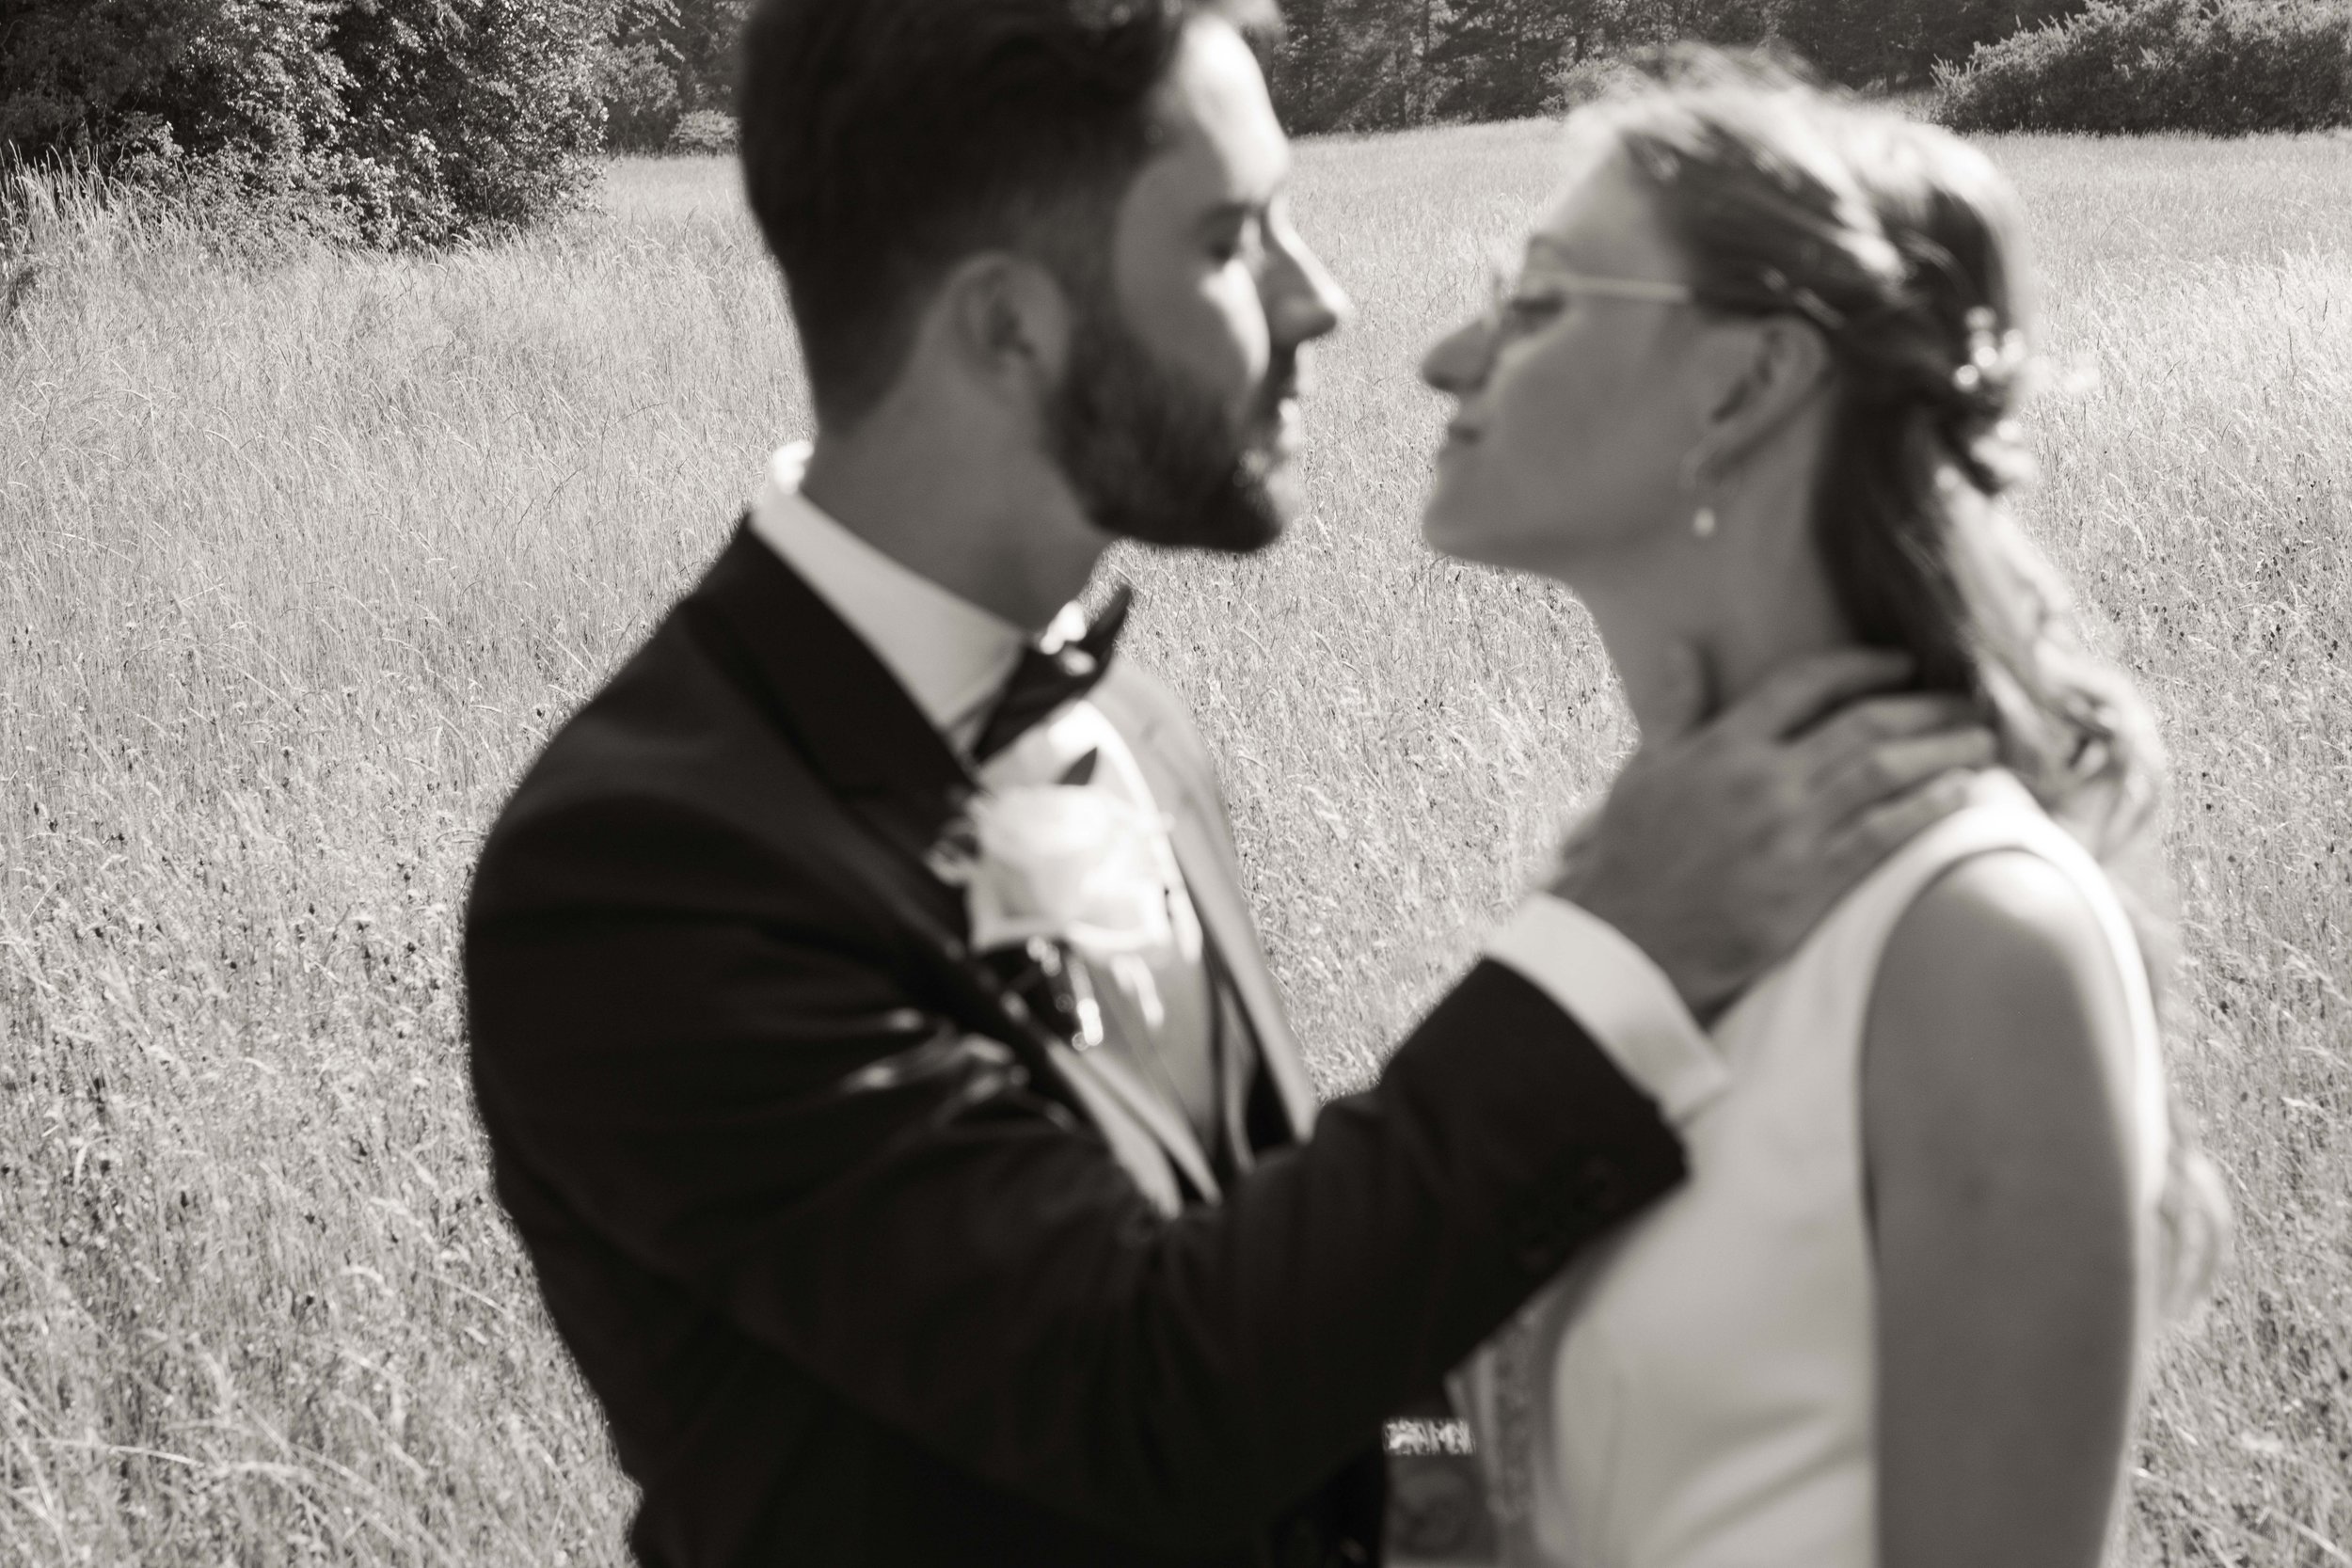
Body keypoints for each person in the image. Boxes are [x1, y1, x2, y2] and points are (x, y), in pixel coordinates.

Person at [462, 8, 1990, 1565]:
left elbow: (1285, 1273)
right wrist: (1611, 952)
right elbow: (1138, 1394)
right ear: (1008, 327)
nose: (1317, 298)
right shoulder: (645, 872)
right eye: (1228, 240)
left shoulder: (1123, 716)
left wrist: (1442, 1484)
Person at [1422, 55, 2227, 1568]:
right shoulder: (1639, 892)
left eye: (1538, 299)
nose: (1447, 357)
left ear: (1746, 383)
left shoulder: (1981, 943)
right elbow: (1468, 1427)